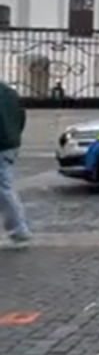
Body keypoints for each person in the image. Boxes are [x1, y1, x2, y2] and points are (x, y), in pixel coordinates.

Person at [0, 80, 29, 244]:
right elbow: (21, 116)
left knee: (4, 189)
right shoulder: (9, 92)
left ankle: (19, 229)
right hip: (10, 143)